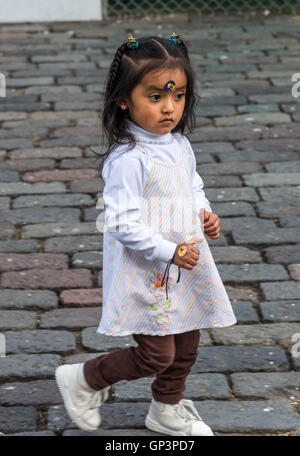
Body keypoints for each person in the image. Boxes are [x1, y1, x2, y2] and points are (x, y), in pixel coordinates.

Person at [55, 32, 237, 437]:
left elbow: (192, 185)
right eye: (156, 97)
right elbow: (120, 224)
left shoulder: (179, 144)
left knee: (187, 344)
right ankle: (84, 378)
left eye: (178, 96)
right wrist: (168, 251)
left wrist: (204, 212)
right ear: (125, 100)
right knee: (157, 352)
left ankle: (166, 408)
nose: (169, 107)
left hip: (185, 264)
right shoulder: (128, 160)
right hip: (149, 270)